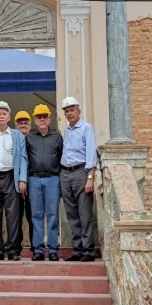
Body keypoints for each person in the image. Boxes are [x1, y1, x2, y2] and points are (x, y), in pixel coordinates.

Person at [0, 101, 28, 261]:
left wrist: (22, 179)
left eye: (4, 113)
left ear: (9, 117)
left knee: (13, 216)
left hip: (12, 177)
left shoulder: (17, 135)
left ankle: (12, 250)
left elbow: (24, 158)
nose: (2, 115)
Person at [60, 97, 98, 262]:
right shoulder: (66, 130)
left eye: (72, 110)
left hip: (81, 172)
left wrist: (90, 178)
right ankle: (77, 250)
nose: (69, 113)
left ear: (78, 111)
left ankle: (88, 250)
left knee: (84, 213)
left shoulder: (87, 128)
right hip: (65, 174)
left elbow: (91, 153)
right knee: (72, 214)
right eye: (67, 111)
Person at [26, 104, 63, 262]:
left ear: (49, 119)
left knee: (53, 215)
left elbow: (62, 158)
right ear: (34, 120)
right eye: (39, 117)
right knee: (36, 216)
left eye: (44, 116)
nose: (42, 119)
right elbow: (25, 159)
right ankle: (39, 250)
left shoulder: (57, 137)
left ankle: (53, 250)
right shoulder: (29, 137)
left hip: (53, 178)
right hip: (34, 179)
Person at [14, 110, 34, 253]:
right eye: (20, 123)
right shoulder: (12, 140)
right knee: (16, 217)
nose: (23, 125)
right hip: (16, 183)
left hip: (33, 182)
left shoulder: (34, 139)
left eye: (25, 122)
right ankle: (17, 246)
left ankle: (35, 246)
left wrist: (27, 180)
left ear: (30, 124)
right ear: (15, 125)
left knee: (33, 216)